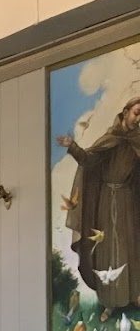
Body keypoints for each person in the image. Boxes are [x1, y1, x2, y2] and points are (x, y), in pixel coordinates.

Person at [59, 96, 140, 315]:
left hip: (128, 202)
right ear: (125, 112)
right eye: (136, 113)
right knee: (107, 247)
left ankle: (133, 295)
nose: (138, 119)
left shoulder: (138, 141)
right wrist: (72, 146)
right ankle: (110, 302)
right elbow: (89, 160)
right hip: (106, 201)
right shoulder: (110, 138)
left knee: (131, 247)